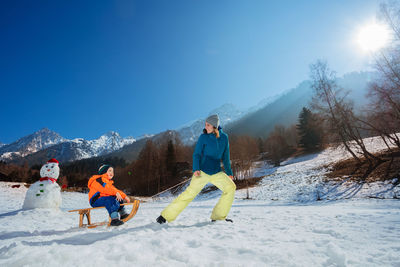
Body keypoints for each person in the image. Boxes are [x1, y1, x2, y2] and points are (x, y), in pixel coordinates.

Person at [156, 114, 236, 224]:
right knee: (189, 194)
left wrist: (229, 173)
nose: (205, 127)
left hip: (216, 171)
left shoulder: (224, 138)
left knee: (231, 187)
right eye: (205, 124)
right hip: (202, 171)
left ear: (214, 126)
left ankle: (218, 216)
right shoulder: (203, 137)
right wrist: (196, 168)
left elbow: (226, 157)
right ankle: (165, 216)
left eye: (208, 125)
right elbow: (197, 154)